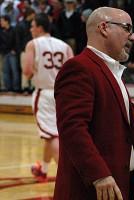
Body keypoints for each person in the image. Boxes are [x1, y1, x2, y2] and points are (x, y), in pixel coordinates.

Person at [53, 7, 134, 200]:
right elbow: (72, 128)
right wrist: (99, 174)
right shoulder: (79, 68)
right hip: (89, 190)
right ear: (104, 27)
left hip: (112, 188)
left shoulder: (110, 71)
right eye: (127, 28)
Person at [23, 13, 73, 182]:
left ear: (40, 28)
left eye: (32, 26)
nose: (30, 29)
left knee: (51, 136)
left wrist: (35, 75)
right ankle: (43, 170)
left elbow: (27, 71)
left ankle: (68, 177)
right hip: (64, 94)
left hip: (44, 93)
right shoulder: (65, 46)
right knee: (51, 132)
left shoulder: (32, 44)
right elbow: (74, 72)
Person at [0, 15, 20, 93]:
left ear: (7, 21)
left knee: (14, 71)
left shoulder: (14, 30)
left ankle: (16, 88)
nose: (0, 23)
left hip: (12, 53)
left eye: (2, 21)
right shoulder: (1, 31)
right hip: (4, 53)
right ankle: (7, 88)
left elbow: (16, 40)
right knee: (5, 71)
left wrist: (15, 50)